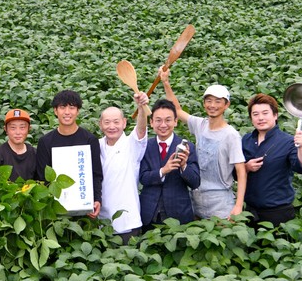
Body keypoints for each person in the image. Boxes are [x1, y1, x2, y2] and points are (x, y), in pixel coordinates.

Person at [160, 66, 246, 219]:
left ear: (227, 105)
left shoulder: (231, 135)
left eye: (218, 101)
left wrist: (238, 206)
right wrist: (166, 82)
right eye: (209, 101)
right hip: (197, 198)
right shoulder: (200, 125)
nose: (212, 105)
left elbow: (241, 171)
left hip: (221, 203)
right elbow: (177, 111)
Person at [242, 93, 302, 226]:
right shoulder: (246, 140)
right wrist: (246, 167)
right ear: (251, 118)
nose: (260, 118)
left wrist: (301, 146)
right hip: (249, 212)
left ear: (275, 115)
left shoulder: (287, 142)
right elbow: (236, 173)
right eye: (255, 114)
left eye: (265, 113)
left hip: (278, 213)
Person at [36, 89, 103, 218]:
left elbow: (96, 174)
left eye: (72, 107)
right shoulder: (45, 142)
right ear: (55, 111)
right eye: (62, 107)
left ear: (78, 111)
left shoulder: (89, 140)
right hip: (56, 210)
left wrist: (96, 199)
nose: (67, 112)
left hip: (85, 209)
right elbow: (42, 177)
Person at [139, 99, 200, 230]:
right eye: (158, 120)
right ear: (151, 122)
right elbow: (142, 177)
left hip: (179, 214)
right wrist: (163, 170)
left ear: (175, 121)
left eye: (168, 120)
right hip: (149, 213)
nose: (163, 125)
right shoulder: (144, 146)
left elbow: (195, 182)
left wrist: (184, 166)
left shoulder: (187, 147)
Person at [97, 92, 149, 243]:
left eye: (116, 122)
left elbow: (140, 130)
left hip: (128, 222)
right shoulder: (97, 145)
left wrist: (141, 108)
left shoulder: (131, 145)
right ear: (100, 125)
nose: (111, 126)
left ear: (124, 123)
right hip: (101, 221)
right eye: (107, 122)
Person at [0, 108, 37, 181]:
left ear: (29, 129)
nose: (18, 132)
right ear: (6, 129)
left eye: (22, 127)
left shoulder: (35, 154)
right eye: (13, 128)